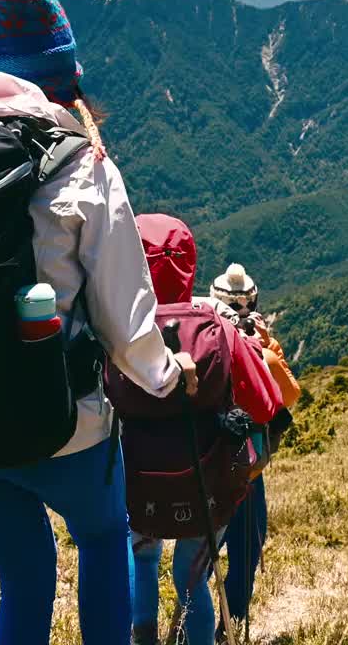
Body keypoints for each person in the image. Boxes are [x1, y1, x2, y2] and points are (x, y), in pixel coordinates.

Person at [0, 0, 198, 645]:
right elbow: (127, 326)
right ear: (59, 74)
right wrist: (170, 376)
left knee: (25, 581)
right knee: (103, 540)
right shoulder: (82, 165)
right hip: (62, 427)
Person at [126, 216, 282, 645]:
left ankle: (141, 637)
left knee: (140, 559)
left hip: (137, 477)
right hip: (203, 478)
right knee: (191, 577)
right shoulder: (216, 323)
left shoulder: (116, 324)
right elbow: (266, 402)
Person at [209, 264, 301, 639]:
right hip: (247, 464)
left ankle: (190, 621)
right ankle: (230, 622)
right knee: (247, 544)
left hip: (203, 456)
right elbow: (288, 395)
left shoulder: (201, 332)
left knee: (200, 551)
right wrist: (267, 344)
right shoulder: (257, 345)